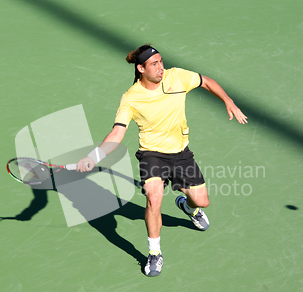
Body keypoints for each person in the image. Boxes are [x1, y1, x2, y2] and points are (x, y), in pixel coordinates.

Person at [77, 44, 247, 277]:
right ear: (141, 68)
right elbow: (117, 132)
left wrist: (228, 101)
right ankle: (154, 253)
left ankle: (188, 207)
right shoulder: (131, 98)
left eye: (161, 61)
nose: (161, 67)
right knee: (154, 198)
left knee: (202, 201)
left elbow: (206, 81)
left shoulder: (176, 77)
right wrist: (94, 157)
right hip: (152, 155)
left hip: (181, 153)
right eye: (154, 64)